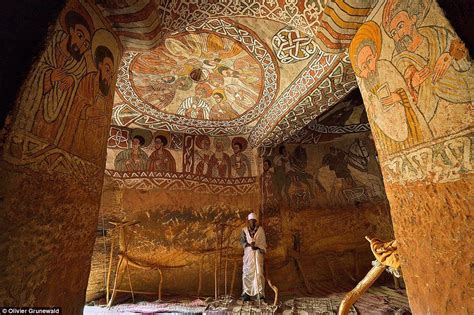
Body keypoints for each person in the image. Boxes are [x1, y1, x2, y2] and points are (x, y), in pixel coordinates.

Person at [240, 212, 267, 302]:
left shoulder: (260, 230)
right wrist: (249, 245)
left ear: (256, 221)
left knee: (258, 274)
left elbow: (263, 243)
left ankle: (259, 294)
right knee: (247, 274)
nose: (253, 223)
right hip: (248, 255)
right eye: (251, 221)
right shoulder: (244, 230)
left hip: (257, 254)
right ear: (248, 221)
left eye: (254, 221)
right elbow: (242, 242)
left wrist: (257, 247)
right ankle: (246, 293)